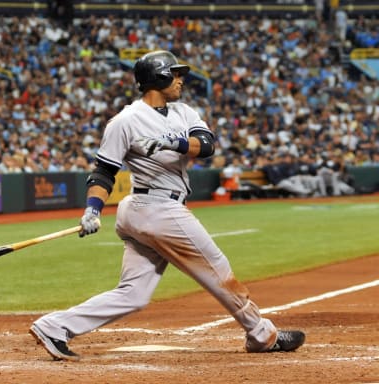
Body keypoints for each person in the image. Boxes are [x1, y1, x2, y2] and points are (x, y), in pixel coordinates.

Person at [29, 50, 305, 361]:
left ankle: (54, 326)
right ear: (158, 76)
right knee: (218, 270)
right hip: (156, 209)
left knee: (132, 294)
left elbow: (208, 146)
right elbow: (104, 172)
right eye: (174, 73)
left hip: (149, 212)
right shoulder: (125, 121)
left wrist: (173, 142)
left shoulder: (184, 113)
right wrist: (92, 209)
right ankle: (261, 334)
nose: (181, 79)